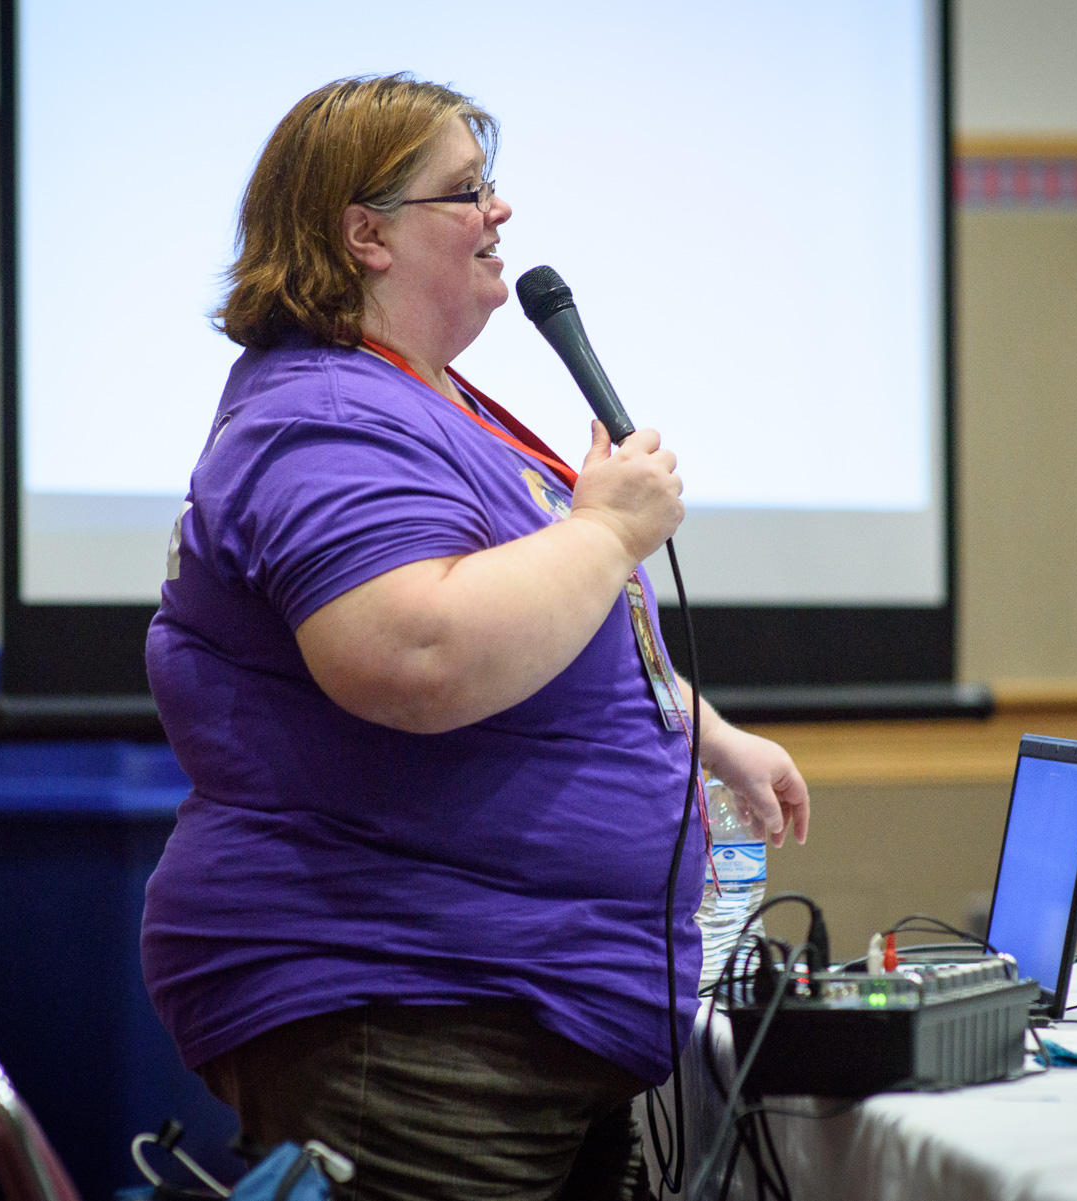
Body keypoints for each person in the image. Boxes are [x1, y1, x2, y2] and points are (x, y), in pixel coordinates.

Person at [140, 74, 810, 1201]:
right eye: (465, 191)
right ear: (367, 234)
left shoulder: (427, 401)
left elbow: (541, 628)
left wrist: (706, 734)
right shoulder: (327, 417)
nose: (499, 210)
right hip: (405, 1000)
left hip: (503, 998)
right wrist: (608, 531)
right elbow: (416, 655)